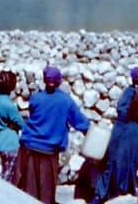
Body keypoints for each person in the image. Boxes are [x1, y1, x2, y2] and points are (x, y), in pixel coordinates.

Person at [15, 65, 90, 204]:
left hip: (29, 148)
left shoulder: (36, 98)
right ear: (59, 81)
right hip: (48, 153)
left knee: (28, 190)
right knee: (46, 193)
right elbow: (81, 123)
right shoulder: (66, 101)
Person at [94, 65, 138, 202]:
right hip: (134, 132)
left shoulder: (126, 91)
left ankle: (100, 196)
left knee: (111, 163)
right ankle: (124, 195)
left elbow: (120, 108)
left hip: (119, 129)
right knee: (129, 164)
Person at [0, 70, 25, 183]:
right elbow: (21, 124)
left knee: (5, 172)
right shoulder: (9, 106)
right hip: (9, 144)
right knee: (8, 180)